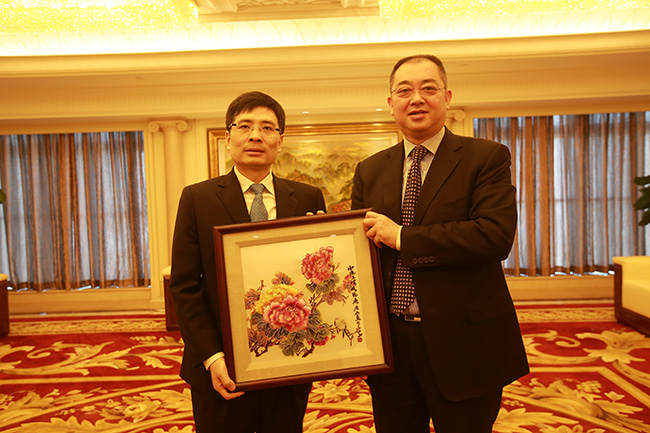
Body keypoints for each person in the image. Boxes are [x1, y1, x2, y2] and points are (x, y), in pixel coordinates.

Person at [351, 54, 529, 433]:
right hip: (391, 345)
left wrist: (401, 236)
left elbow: (494, 236)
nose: (416, 98)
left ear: (446, 97)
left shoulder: (486, 157)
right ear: (391, 103)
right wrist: (329, 240)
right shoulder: (370, 169)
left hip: (464, 341)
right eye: (404, 91)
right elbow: (361, 250)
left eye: (428, 88)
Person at [169, 91, 326, 433]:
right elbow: (185, 286)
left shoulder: (307, 198)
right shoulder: (197, 198)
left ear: (280, 141)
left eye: (267, 128)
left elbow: (319, 281)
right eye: (245, 126)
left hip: (289, 360)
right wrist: (212, 357)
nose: (255, 135)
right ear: (228, 137)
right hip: (220, 364)